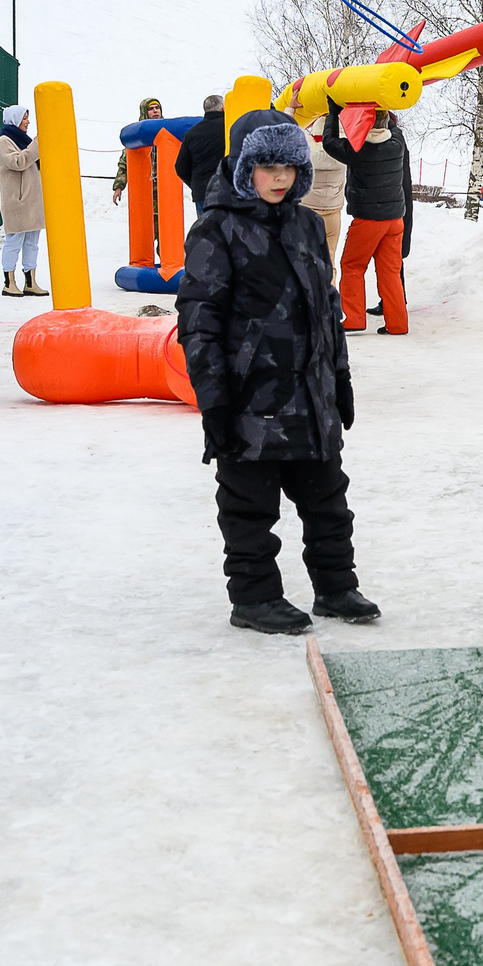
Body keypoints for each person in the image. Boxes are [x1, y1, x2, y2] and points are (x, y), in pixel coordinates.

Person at [177, 107, 378, 635]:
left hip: (310, 398)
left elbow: (325, 308)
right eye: (267, 167)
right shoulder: (215, 229)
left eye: (288, 167)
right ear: (244, 168)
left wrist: (340, 379)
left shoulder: (309, 224)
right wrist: (214, 399)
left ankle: (336, 588)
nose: (279, 177)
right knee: (249, 509)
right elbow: (199, 321)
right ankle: (255, 598)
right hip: (250, 399)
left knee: (329, 501)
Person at [323, 103, 413, 333]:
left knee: (352, 265)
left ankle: (353, 319)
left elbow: (329, 143)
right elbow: (394, 126)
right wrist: (381, 101)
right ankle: (397, 324)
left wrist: (333, 114)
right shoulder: (397, 144)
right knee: (390, 271)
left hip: (368, 220)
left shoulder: (357, 150)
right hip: (395, 220)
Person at [0, 104, 47, 298]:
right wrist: (36, 145)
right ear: (15, 119)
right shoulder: (4, 141)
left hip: (32, 201)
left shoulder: (21, 140)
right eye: (24, 118)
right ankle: (9, 282)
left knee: (32, 242)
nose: (28, 122)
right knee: (14, 241)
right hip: (16, 201)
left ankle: (30, 281)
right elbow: (18, 162)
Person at [303, 119, 348, 278]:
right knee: (329, 261)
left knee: (305, 261)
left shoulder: (307, 152)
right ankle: (329, 299)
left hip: (307, 212)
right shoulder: (344, 154)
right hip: (333, 213)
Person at [173, 93, 227, 210]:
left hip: (202, 192)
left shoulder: (191, 133)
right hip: (226, 190)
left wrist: (195, 184)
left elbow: (180, 167)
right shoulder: (229, 127)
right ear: (223, 108)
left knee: (206, 228)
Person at [112, 97, 165, 206]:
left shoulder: (168, 132)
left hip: (165, 189)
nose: (155, 111)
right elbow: (124, 164)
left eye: (157, 108)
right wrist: (118, 186)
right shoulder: (137, 135)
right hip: (144, 190)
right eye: (151, 109)